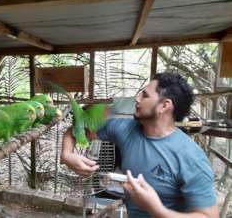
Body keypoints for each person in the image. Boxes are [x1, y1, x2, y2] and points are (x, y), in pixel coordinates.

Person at [61, 72, 219, 217]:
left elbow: (209, 215)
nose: (137, 98)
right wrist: (67, 154)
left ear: (164, 106)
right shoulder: (124, 129)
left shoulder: (191, 157)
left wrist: (157, 210)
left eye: (144, 95)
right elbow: (76, 130)